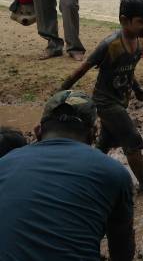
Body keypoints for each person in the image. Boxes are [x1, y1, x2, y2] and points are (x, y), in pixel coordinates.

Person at [0, 90, 135, 260]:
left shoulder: (4, 163)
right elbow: (122, 249)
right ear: (93, 133)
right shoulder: (114, 172)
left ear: (38, 131)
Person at [60, 0, 143, 191]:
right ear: (124, 20)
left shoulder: (139, 42)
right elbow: (84, 68)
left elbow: (128, 71)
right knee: (132, 139)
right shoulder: (110, 44)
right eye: (142, 22)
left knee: (104, 143)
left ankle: (80, 176)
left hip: (121, 100)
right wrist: (62, 90)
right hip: (105, 102)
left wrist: (138, 89)